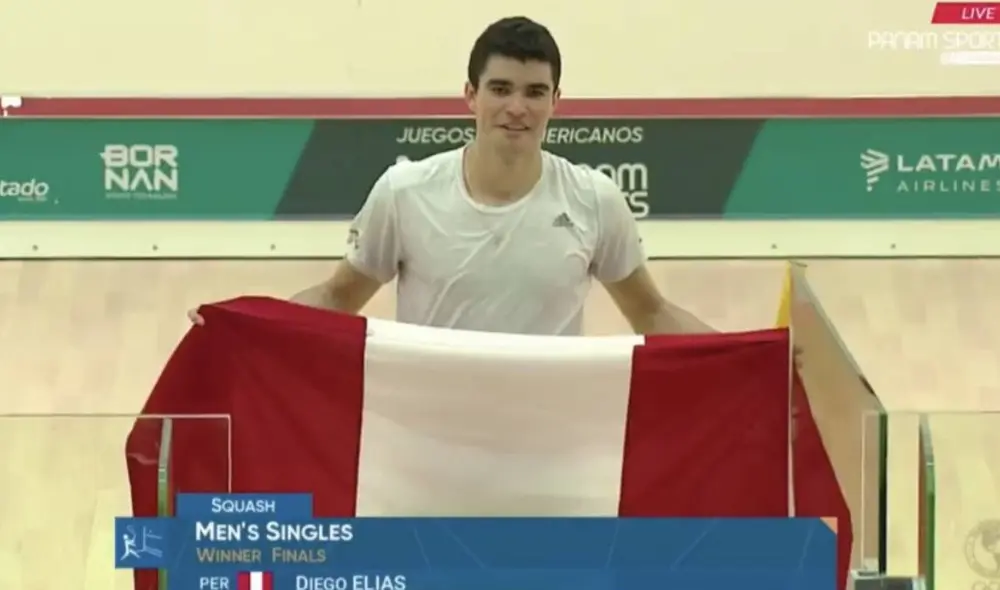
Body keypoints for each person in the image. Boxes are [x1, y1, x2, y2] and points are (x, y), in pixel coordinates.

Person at [189, 16, 713, 336]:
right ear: (470, 96)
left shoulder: (595, 200)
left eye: (534, 93)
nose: (516, 107)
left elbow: (652, 313)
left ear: (555, 101)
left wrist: (756, 357)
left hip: (548, 448)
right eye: (500, 88)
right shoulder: (404, 193)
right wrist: (241, 326)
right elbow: (335, 300)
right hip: (424, 448)